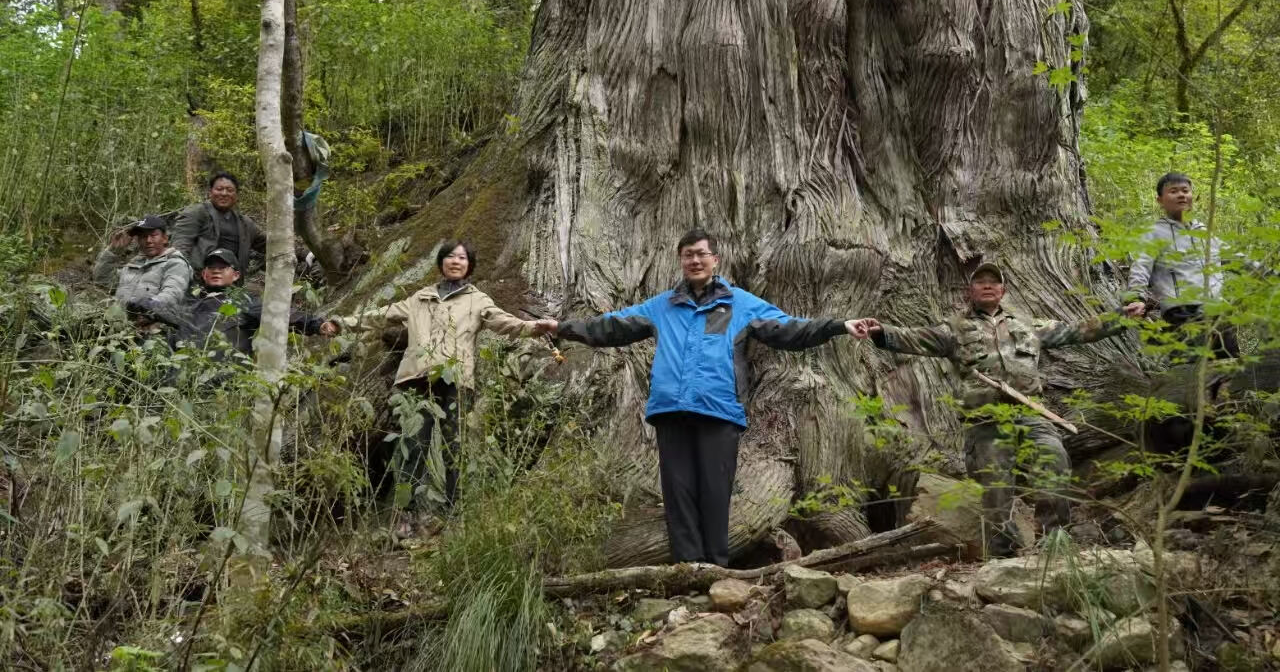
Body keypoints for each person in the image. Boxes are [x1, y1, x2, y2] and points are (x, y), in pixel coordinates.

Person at [540, 228, 859, 566]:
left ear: (715, 260)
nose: (695, 260)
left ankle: (716, 568)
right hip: (671, 411)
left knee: (715, 493)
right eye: (688, 255)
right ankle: (688, 569)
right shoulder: (662, 306)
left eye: (701, 254)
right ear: (681, 261)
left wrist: (838, 326)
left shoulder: (740, 303)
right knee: (679, 494)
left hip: (719, 411)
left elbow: (791, 329)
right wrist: (561, 327)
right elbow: (611, 326)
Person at [848, 263, 1145, 556]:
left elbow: (1077, 330)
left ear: (1003, 290)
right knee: (996, 482)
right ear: (970, 290)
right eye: (980, 281)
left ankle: (1054, 543)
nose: (987, 285)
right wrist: (880, 331)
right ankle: (1003, 551)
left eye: (994, 281)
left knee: (1054, 459)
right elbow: (914, 337)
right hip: (985, 421)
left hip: (1031, 414)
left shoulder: (1028, 324)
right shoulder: (954, 328)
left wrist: (1121, 317)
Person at [321, 240, 553, 536]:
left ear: (469, 265)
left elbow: (503, 322)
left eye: (462, 257)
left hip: (456, 381)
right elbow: (379, 315)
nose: (456, 261)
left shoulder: (477, 300)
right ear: (441, 262)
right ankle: (406, 517)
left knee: (454, 448)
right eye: (450, 257)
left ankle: (454, 514)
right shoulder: (420, 298)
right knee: (411, 447)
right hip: (416, 381)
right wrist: (341, 323)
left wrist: (535, 327)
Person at [133, 248, 334, 359]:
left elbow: (278, 313)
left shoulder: (244, 302)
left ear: (236, 275)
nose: (216, 270)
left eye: (223, 267)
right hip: (184, 377)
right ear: (203, 274)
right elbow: (163, 309)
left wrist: (317, 324)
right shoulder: (191, 305)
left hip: (222, 381)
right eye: (211, 267)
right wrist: (138, 305)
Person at [1127, 172, 1240, 359]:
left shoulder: (1204, 232)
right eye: (1174, 191)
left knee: (1232, 372)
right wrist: (1135, 297)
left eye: (1185, 190)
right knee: (1188, 373)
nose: (1181, 195)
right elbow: (1141, 266)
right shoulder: (1153, 233)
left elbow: (1237, 259)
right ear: (1160, 200)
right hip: (1182, 313)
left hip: (1218, 312)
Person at [92, 215, 192, 314]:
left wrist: (145, 308)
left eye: (153, 235)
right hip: (119, 324)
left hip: (153, 325)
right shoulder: (133, 264)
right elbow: (102, 281)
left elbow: (172, 295)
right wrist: (113, 251)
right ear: (138, 240)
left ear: (165, 238)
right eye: (143, 236)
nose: (148, 240)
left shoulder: (175, 263)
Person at [170, 172, 266, 274]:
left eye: (230, 190)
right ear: (210, 192)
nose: (224, 193)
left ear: (236, 195)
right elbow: (180, 246)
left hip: (233, 285)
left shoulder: (246, 223)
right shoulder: (196, 213)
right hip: (199, 281)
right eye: (219, 189)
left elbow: (269, 244)